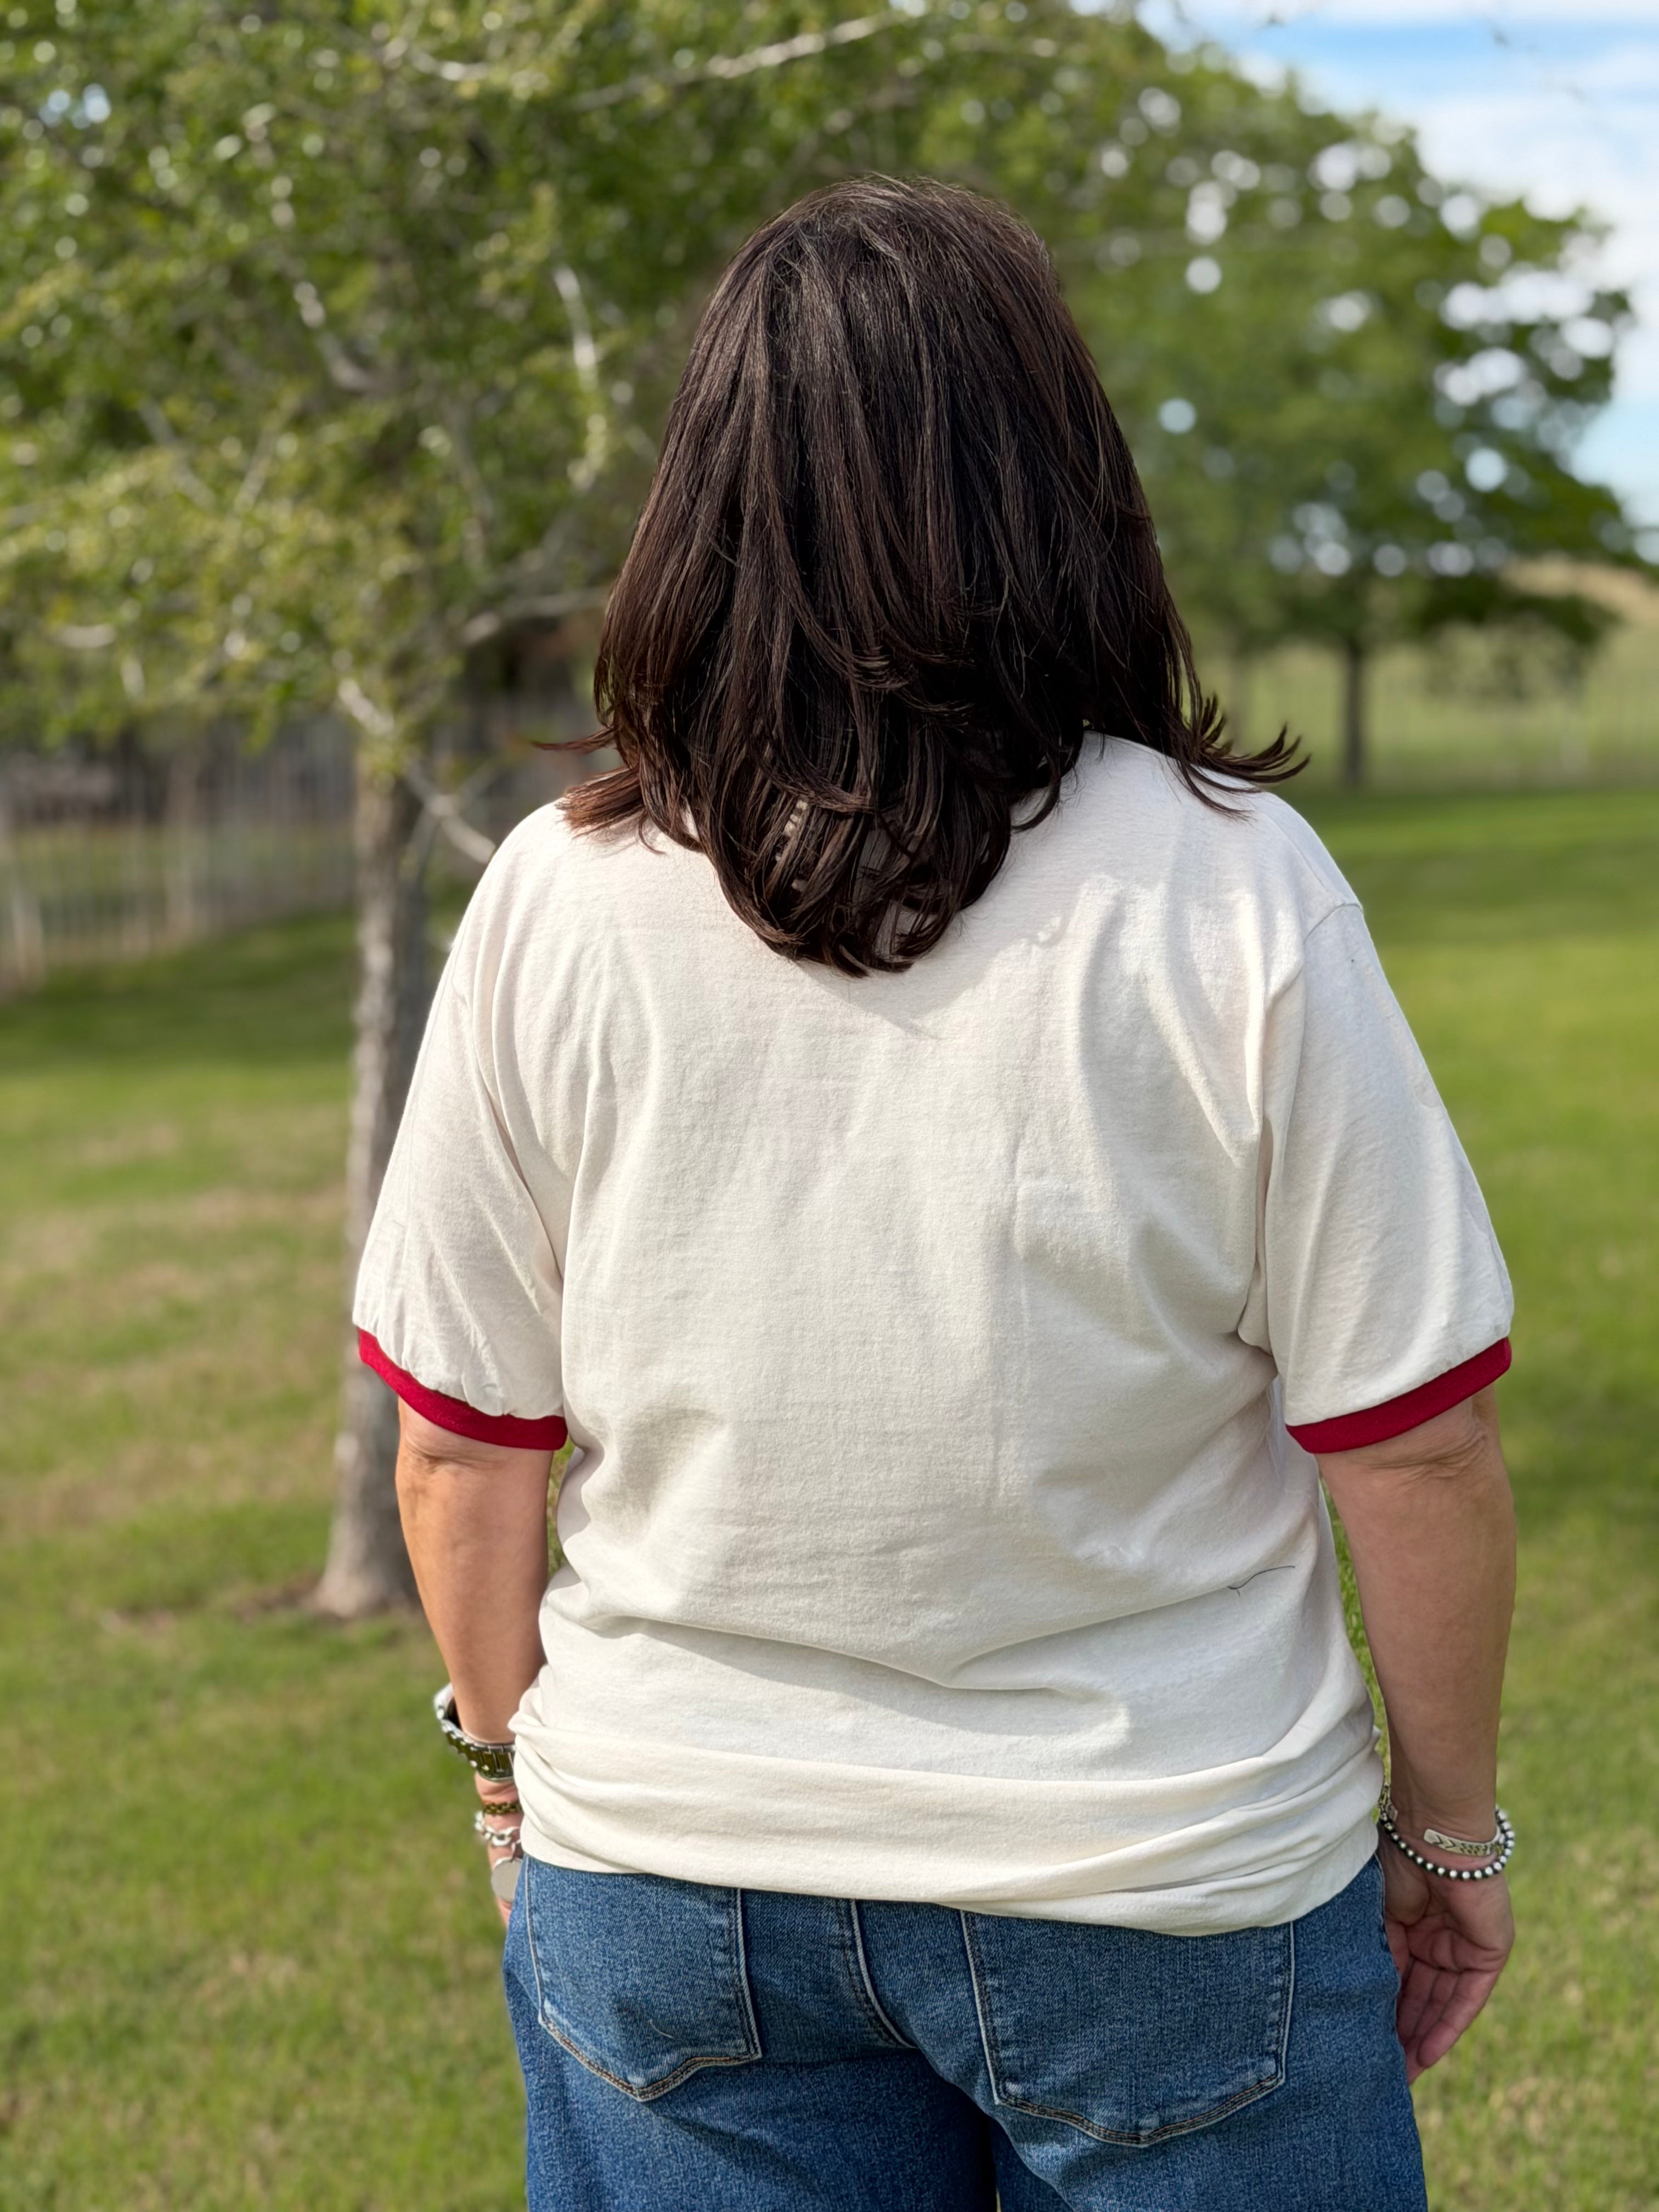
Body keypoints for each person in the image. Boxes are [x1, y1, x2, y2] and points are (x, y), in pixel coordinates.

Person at [354, 179, 1517, 2212]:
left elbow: (460, 1448)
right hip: (1166, 1894)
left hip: (678, 1885)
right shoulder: (1230, 885)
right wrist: (1447, 1837)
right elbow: (1414, 1441)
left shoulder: (558, 895)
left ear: (706, 494)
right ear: (1063, 477)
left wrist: (509, 1777)